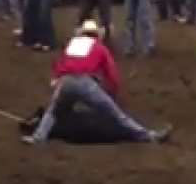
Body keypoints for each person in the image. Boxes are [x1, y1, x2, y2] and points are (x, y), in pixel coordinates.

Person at [22, 20, 172, 145]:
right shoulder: (99, 47)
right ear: (96, 35)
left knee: (53, 111)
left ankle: (38, 137)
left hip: (66, 81)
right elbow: (111, 73)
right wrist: (113, 91)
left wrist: (56, 79)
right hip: (85, 83)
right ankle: (148, 136)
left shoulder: (72, 43)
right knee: (117, 114)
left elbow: (60, 64)